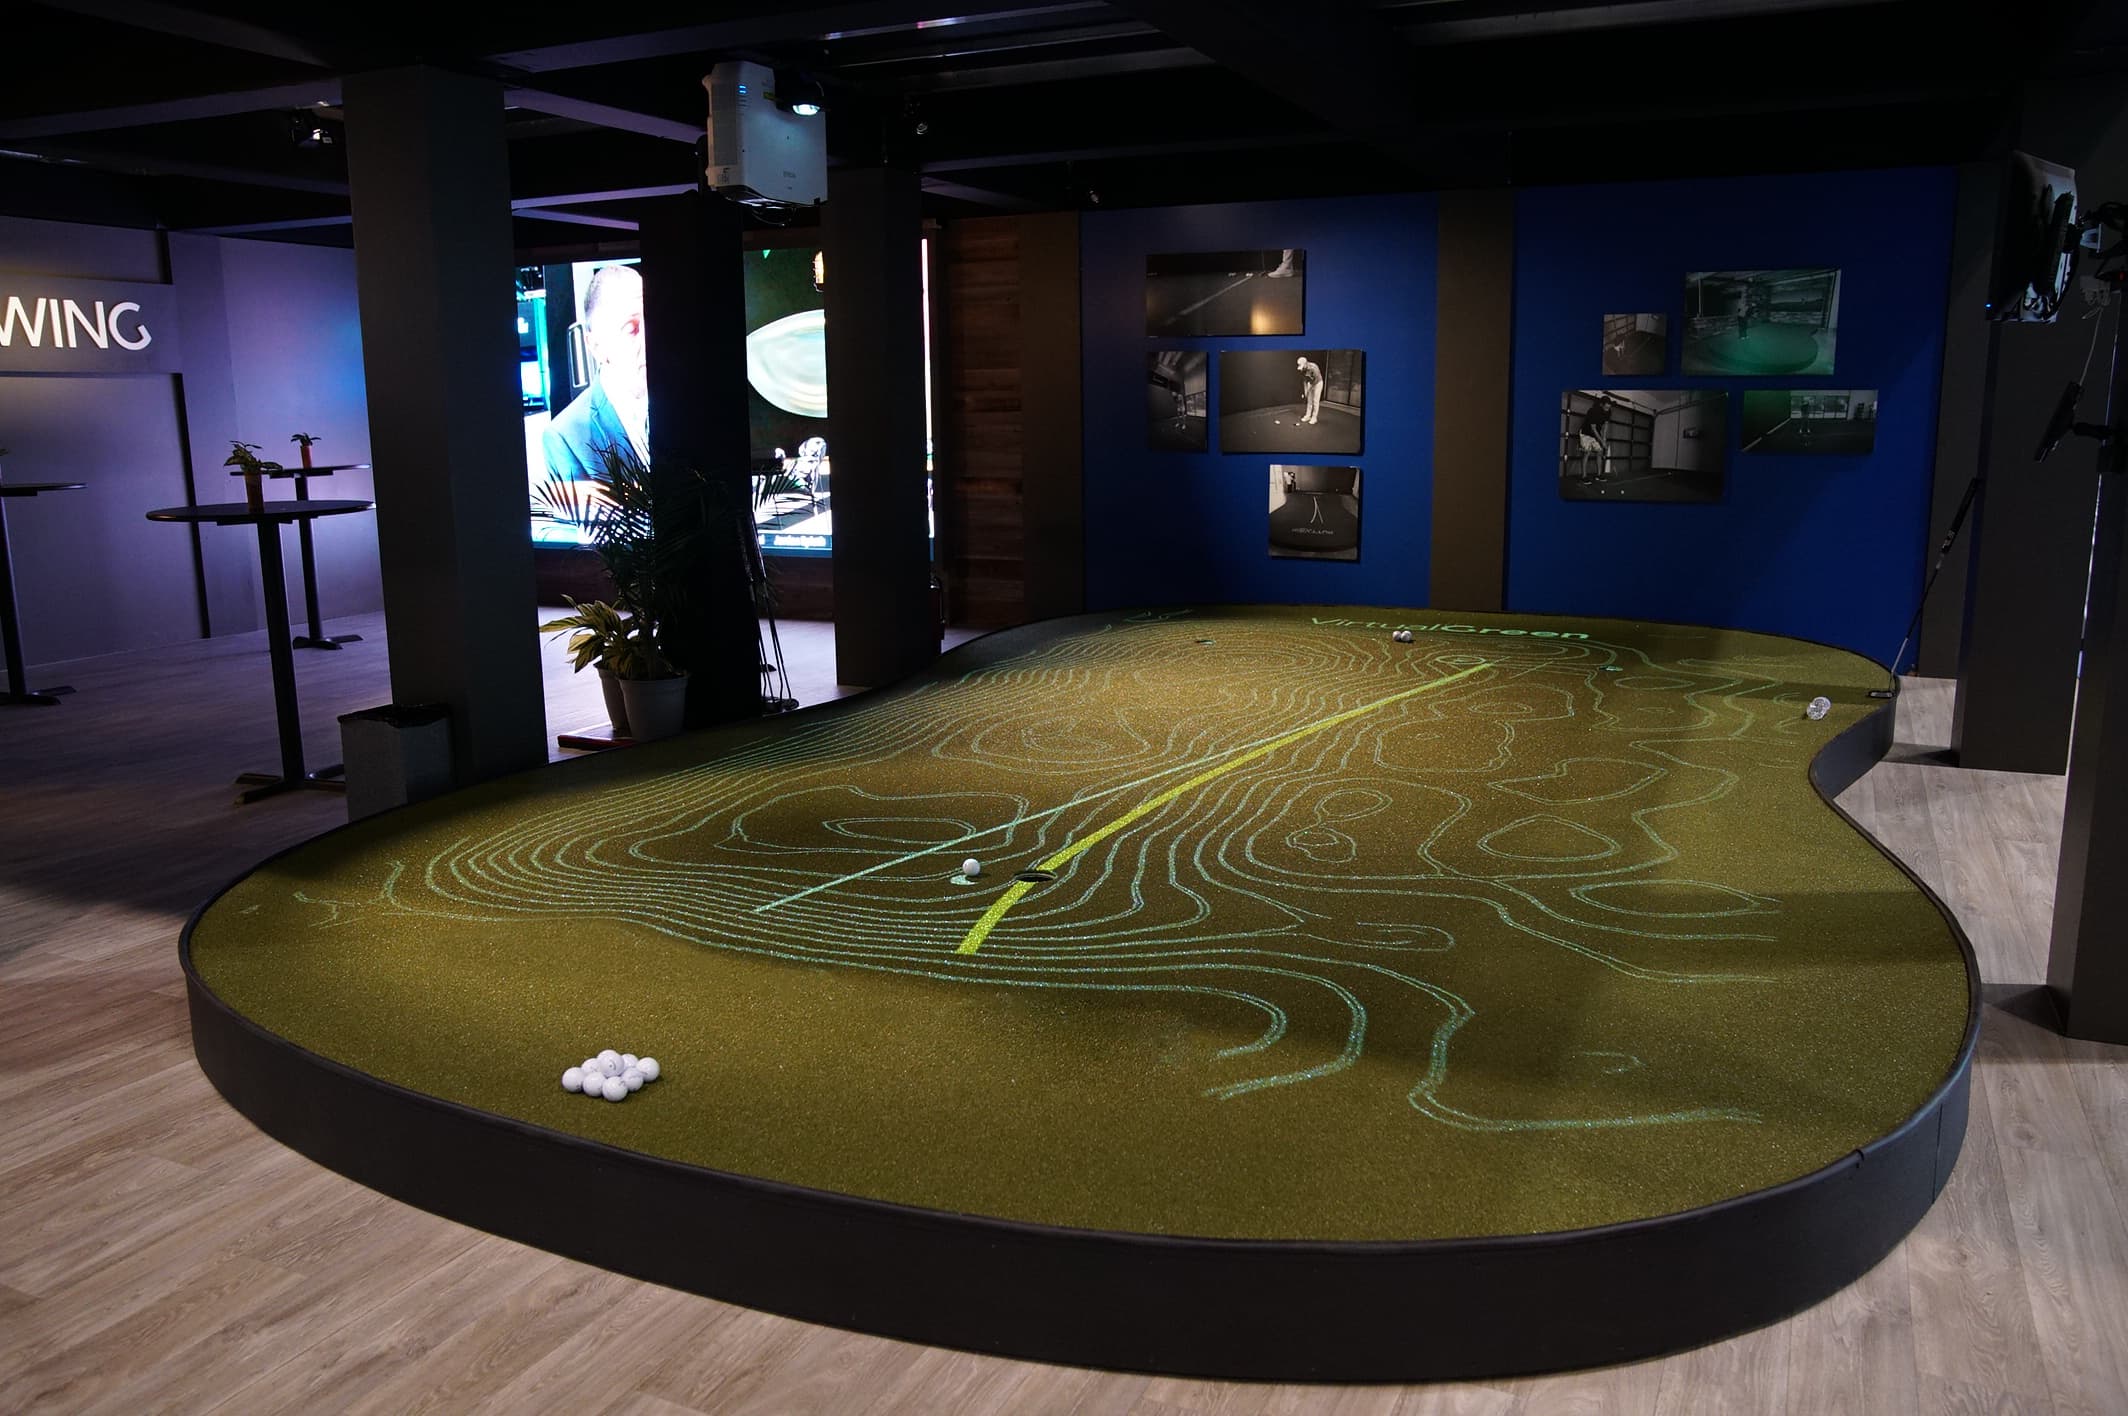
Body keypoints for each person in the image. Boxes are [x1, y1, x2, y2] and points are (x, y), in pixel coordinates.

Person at [543, 264, 648, 481]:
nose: (649, 340)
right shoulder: (566, 438)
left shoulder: (690, 402)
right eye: (632, 329)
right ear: (596, 346)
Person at [1573, 394, 1615, 482]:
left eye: (1609, 407)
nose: (1607, 409)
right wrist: (1602, 442)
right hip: (1586, 433)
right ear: (1601, 405)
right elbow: (1593, 429)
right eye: (1606, 407)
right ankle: (1584, 476)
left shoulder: (1608, 412)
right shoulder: (1593, 411)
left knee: (1599, 451)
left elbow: (1606, 426)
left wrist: (1604, 438)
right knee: (1587, 452)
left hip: (1596, 434)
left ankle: (1599, 475)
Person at [1297, 355, 1324, 425]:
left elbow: (1315, 380)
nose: (1301, 368)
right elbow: (1305, 381)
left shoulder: (1314, 367)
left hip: (1318, 383)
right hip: (1310, 383)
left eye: (1302, 366)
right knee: (1309, 400)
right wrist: (1305, 391)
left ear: (1305, 363)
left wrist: (1310, 387)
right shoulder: (1303, 369)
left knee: (1315, 401)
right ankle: (1308, 416)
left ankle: (1314, 418)